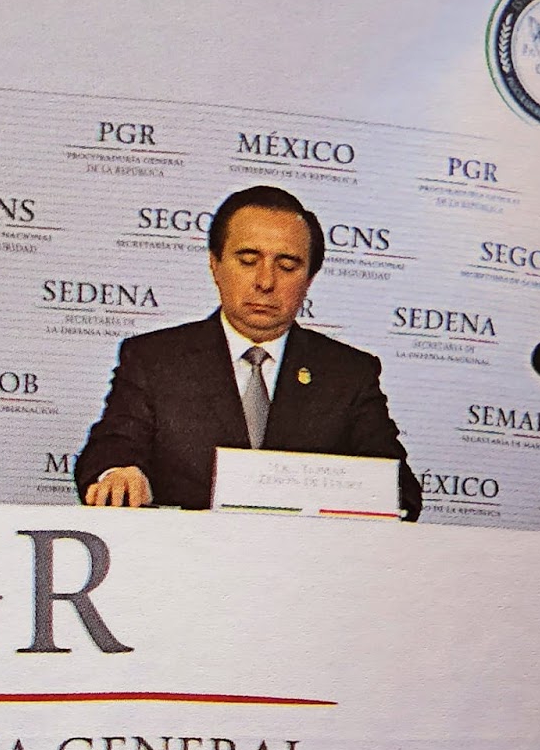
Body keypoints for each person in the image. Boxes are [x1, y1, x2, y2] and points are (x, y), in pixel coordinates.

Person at [75, 185, 421, 517]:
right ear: (215, 264)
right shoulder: (154, 360)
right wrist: (119, 472)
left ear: (309, 279)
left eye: (287, 266)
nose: (265, 282)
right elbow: (112, 448)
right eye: (248, 260)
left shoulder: (349, 374)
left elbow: (399, 490)